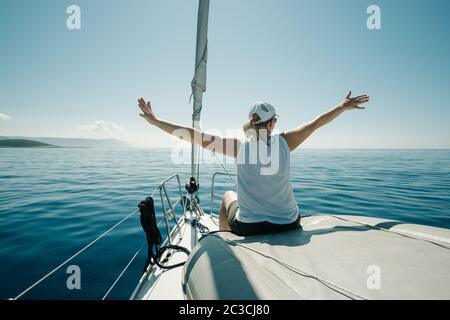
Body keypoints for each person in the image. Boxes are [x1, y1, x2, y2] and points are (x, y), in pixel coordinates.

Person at [138, 91, 369, 236]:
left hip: (250, 227)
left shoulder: (239, 147)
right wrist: (341, 107)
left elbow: (192, 135)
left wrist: (156, 122)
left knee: (228, 196)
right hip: (289, 223)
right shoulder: (286, 142)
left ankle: (225, 243)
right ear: (272, 123)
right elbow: (317, 122)